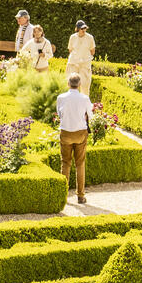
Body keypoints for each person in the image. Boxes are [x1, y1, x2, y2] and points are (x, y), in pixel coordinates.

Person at [55, 73, 92, 205]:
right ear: (80, 85)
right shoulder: (85, 98)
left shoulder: (61, 98)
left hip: (66, 131)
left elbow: (59, 114)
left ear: (68, 84)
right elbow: (91, 115)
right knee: (80, 164)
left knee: (65, 163)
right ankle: (81, 196)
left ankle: (63, 194)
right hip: (80, 132)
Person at [67, 19, 96, 97]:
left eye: (85, 28)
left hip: (85, 63)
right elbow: (70, 50)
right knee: (72, 84)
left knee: (85, 85)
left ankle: (84, 104)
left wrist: (84, 57)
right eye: (82, 28)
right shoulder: (72, 37)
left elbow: (92, 51)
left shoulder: (90, 37)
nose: (84, 30)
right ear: (77, 29)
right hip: (73, 63)